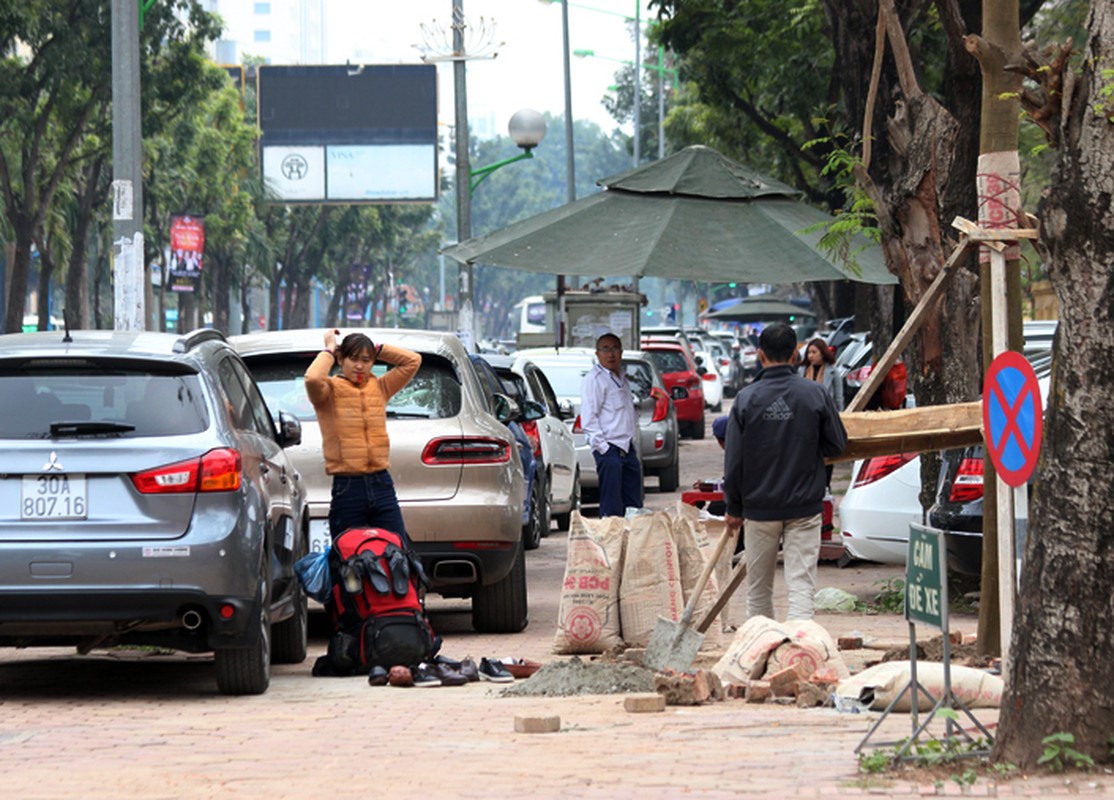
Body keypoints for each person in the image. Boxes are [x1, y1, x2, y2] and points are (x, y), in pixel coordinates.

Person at [722, 323, 847, 621]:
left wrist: (734, 507)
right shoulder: (815, 394)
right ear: (795, 355)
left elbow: (734, 460)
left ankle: (760, 652)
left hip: (759, 508)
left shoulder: (746, 399)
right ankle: (800, 652)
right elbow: (837, 445)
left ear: (761, 355)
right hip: (804, 507)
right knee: (802, 585)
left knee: (758, 589)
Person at [305, 329, 421, 544]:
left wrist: (377, 349)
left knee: (397, 552)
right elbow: (312, 379)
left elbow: (413, 362)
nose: (359, 366)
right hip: (348, 488)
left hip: (382, 483)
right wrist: (329, 348)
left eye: (366, 360)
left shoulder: (380, 387)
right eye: (353, 359)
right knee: (347, 560)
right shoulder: (327, 391)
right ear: (341, 359)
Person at [580, 332, 641, 517]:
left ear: (621, 352)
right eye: (605, 349)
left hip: (627, 447)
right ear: (597, 354)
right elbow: (589, 418)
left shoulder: (622, 378)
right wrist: (604, 449)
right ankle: (610, 543)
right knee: (612, 507)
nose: (611, 354)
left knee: (633, 506)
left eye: (614, 349)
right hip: (609, 449)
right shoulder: (595, 379)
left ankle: (632, 542)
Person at [799, 336, 843, 489]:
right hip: (805, 420)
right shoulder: (802, 371)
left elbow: (838, 398)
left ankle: (825, 488)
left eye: (814, 352)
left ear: (822, 353)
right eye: (809, 352)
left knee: (826, 458)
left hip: (825, 419)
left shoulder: (833, 372)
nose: (810, 356)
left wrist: (840, 418)